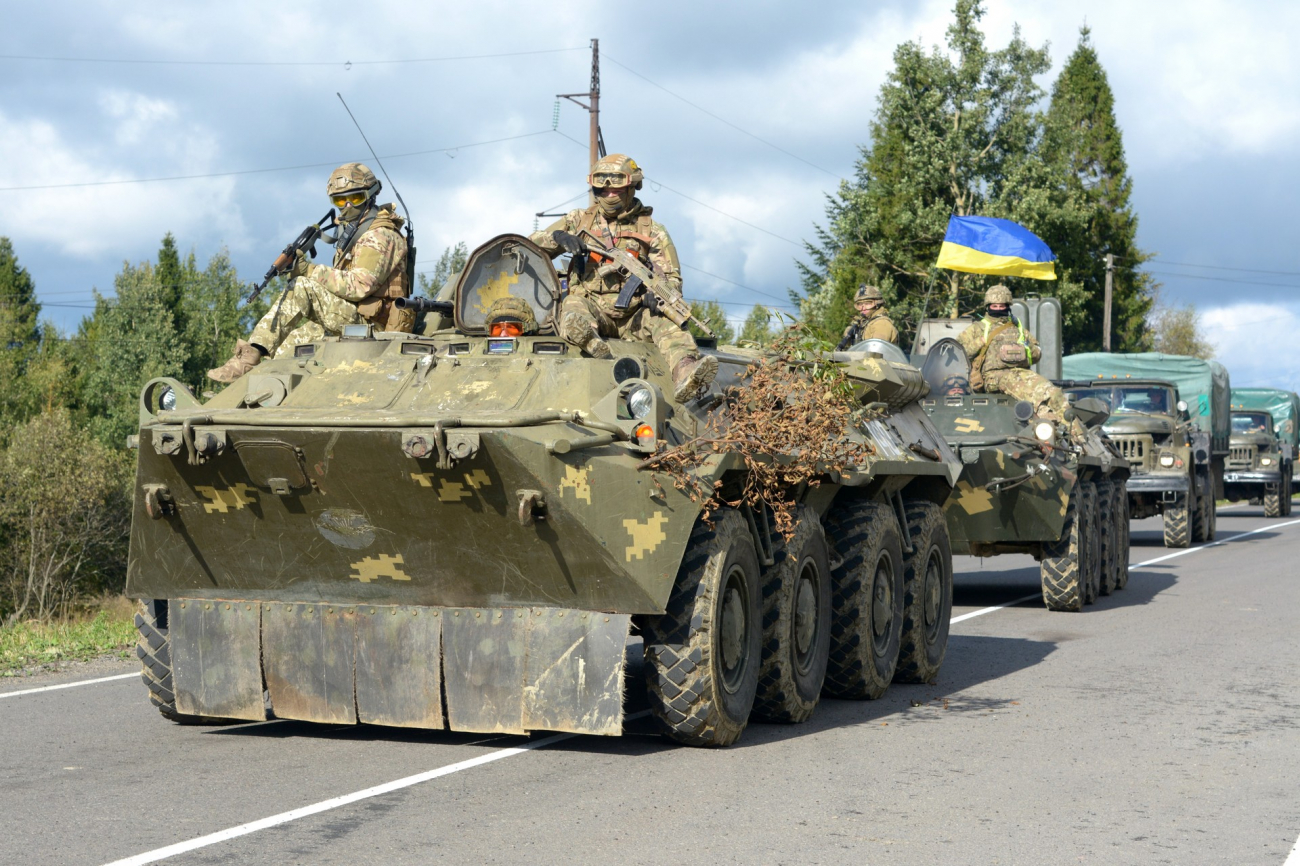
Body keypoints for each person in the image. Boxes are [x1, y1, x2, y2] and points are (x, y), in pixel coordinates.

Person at [529, 153, 716, 402]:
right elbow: (530, 247)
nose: (608, 195)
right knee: (573, 308)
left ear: (631, 187)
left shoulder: (653, 231)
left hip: (634, 319)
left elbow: (671, 278)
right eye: (601, 190)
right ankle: (589, 339)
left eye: (615, 190)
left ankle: (685, 372)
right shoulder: (578, 220)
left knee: (668, 321)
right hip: (593, 309)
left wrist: (657, 295)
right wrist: (558, 239)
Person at [208, 163, 414, 383]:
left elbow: (358, 286)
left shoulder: (380, 235)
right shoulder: (357, 233)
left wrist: (308, 271)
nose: (345, 206)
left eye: (354, 199)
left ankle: (248, 358)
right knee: (288, 348)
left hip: (376, 326)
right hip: (356, 318)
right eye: (338, 200)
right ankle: (263, 390)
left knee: (301, 287)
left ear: (370, 196)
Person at [957, 285, 1084, 443]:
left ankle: (1077, 439)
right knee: (1040, 403)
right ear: (987, 307)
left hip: (1020, 374)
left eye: (1001, 306)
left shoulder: (1017, 329)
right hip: (994, 377)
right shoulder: (977, 329)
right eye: (994, 306)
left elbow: (1037, 352)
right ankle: (1062, 438)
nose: (998, 309)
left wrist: (1024, 351)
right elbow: (958, 352)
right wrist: (980, 342)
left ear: (1008, 306)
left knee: (1054, 394)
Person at [836, 284, 898, 349]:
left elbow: (876, 351)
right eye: (859, 304)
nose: (863, 308)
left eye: (868, 303)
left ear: (877, 303)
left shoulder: (882, 324)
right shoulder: (862, 323)